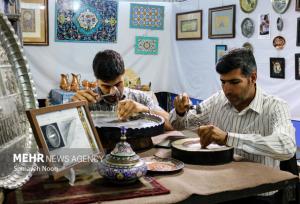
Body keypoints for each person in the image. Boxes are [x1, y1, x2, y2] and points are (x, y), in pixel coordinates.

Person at [169, 48, 296, 202]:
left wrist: (228, 138)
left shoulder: (275, 106)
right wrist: (180, 112)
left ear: (253, 77)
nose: (227, 89)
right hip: (220, 189)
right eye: (223, 82)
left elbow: (287, 146)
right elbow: (181, 124)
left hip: (259, 194)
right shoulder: (218, 100)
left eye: (234, 82)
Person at [72, 49, 173, 130]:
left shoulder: (140, 98)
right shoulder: (86, 100)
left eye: (118, 84)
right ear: (96, 80)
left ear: (123, 75)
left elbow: (172, 125)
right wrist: (74, 108)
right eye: (106, 86)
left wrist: (144, 109)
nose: (113, 92)